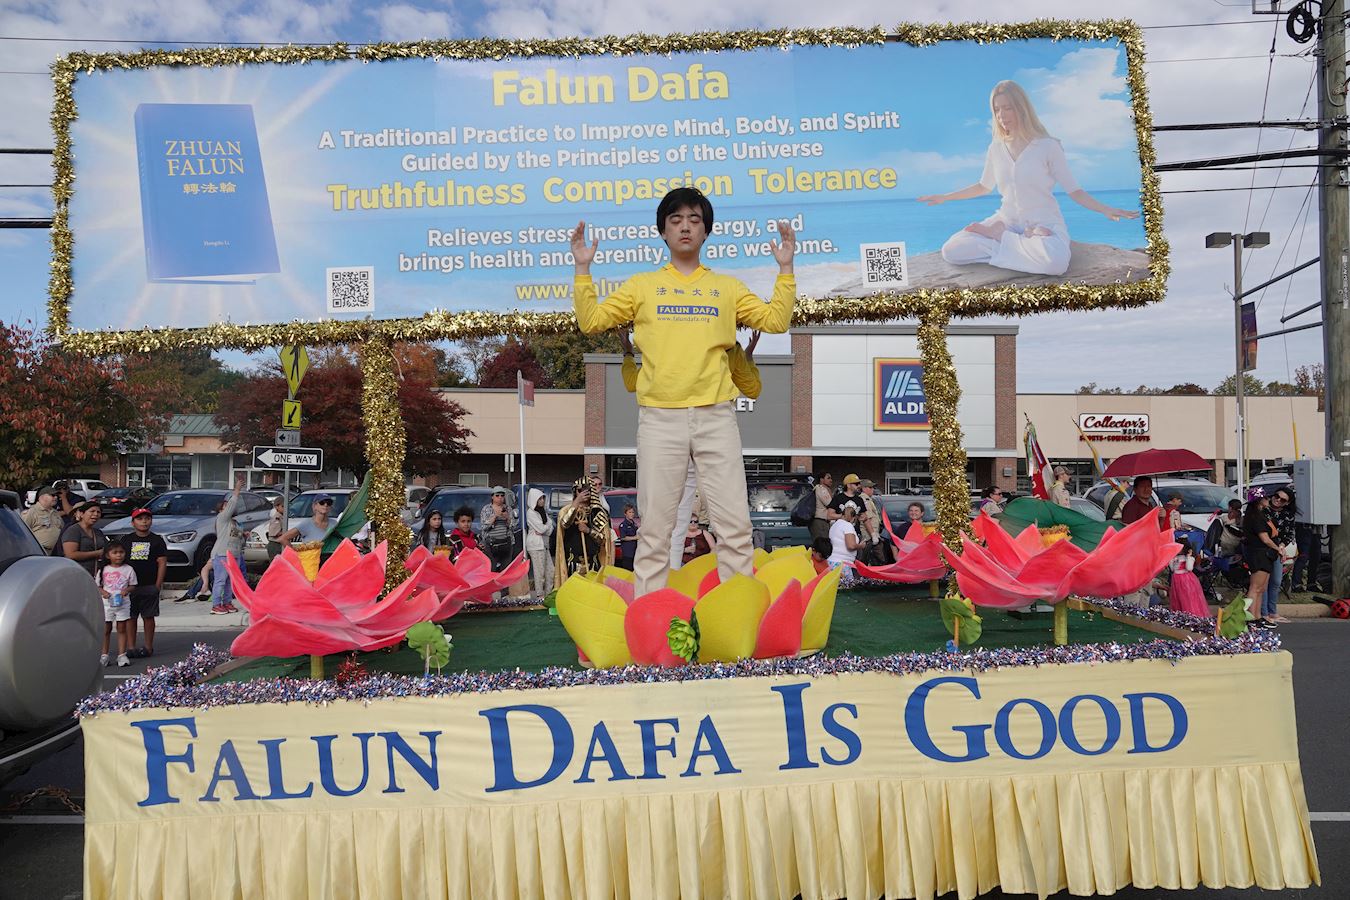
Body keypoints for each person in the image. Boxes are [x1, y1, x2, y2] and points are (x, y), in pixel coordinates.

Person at [572, 187, 795, 596]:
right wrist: (583, 269)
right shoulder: (643, 286)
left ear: (706, 230)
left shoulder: (726, 288)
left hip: (716, 416)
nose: (685, 227)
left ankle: (737, 615)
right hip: (660, 418)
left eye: (694, 219)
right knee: (656, 528)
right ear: (663, 231)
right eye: (675, 220)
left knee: (734, 526)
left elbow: (776, 320)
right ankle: (650, 615)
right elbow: (591, 321)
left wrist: (785, 268)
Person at [917, 80, 1138, 277]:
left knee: (1055, 264)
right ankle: (1014, 240)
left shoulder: (1048, 146)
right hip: (1007, 221)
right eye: (997, 110)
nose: (1002, 115)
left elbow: (1074, 190)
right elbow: (983, 186)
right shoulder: (996, 148)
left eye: (1008, 108)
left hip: (1044, 223)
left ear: (1021, 109)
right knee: (952, 250)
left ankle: (1005, 239)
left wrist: (1106, 209)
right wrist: (945, 197)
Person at [619, 325, 764, 572]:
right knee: (728, 521)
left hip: (670, 436)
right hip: (712, 437)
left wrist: (628, 354)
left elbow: (632, 383)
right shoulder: (729, 349)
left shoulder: (667, 347)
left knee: (669, 523)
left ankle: (668, 581)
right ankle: (735, 585)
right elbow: (753, 389)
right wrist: (747, 357)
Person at [120, 508, 166, 659]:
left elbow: (162, 562)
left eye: (147, 518)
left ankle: (148, 646)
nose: (144, 522)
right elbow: (120, 561)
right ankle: (130, 647)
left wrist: (158, 584)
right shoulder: (126, 540)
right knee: (130, 617)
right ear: (133, 522)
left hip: (149, 584)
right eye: (140, 519)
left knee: (148, 616)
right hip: (130, 586)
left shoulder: (157, 540)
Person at [555, 478, 613, 584]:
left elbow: (603, 540)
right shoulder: (566, 511)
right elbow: (564, 524)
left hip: (593, 562)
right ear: (575, 492)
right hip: (574, 562)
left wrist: (588, 531)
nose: (584, 493)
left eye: (587, 490)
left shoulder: (598, 512)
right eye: (580, 490)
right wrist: (577, 502)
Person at [1242, 488, 1281, 630]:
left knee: (1261, 588)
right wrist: (1278, 549)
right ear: (1258, 501)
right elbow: (1264, 538)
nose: (1268, 500)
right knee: (1255, 587)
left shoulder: (1261, 515)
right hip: (1258, 554)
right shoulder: (1255, 517)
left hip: (1265, 554)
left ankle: (1258, 616)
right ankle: (1250, 617)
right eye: (1265, 498)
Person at [209, 477, 245, 615]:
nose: (229, 507)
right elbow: (232, 505)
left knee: (230, 581)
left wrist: (244, 536)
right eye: (226, 506)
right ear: (221, 510)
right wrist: (237, 490)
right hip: (222, 553)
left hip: (234, 554)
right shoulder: (222, 518)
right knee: (221, 580)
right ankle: (216, 604)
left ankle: (227, 602)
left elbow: (238, 539)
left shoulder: (235, 523)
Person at [96, 542, 136, 668]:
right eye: (115, 553)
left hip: (123, 604)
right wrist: (104, 593)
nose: (119, 555)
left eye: (121, 552)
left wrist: (126, 590)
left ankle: (122, 655)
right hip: (107, 604)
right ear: (108, 555)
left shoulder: (128, 569)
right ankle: (104, 655)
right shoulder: (103, 570)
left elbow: (133, 585)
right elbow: (98, 586)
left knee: (122, 628)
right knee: (106, 629)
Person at [1265, 486, 1297, 624]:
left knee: (1276, 581)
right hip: (1262, 549)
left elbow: (1289, 534)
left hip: (1278, 550)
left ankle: (1272, 611)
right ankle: (1264, 613)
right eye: (1276, 496)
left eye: (1282, 500)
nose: (1278, 500)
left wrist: (1282, 546)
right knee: (1263, 581)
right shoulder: (1264, 510)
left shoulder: (1288, 515)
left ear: (1287, 503)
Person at [60, 502, 107, 577]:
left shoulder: (98, 532)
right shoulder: (73, 531)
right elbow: (70, 554)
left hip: (96, 575)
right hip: (78, 574)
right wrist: (97, 553)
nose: (95, 514)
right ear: (82, 514)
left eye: (98, 512)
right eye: (92, 511)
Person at [524, 489, 555, 599]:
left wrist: (545, 527)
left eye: (543, 498)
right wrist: (546, 526)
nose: (542, 501)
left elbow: (550, 529)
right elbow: (542, 528)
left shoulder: (543, 512)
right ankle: (539, 596)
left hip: (544, 545)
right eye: (540, 499)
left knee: (551, 571)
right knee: (539, 572)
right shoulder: (531, 513)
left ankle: (548, 595)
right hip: (536, 545)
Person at [479, 487, 517, 576]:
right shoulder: (486, 509)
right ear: (492, 497)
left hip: (506, 542)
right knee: (491, 568)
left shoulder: (508, 509)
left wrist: (507, 518)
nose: (500, 498)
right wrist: (494, 517)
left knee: (506, 569)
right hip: (491, 543)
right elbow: (483, 527)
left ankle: (504, 585)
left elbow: (513, 526)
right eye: (497, 495)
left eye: (502, 496)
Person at [22, 486, 70, 554]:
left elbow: (62, 529)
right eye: (52, 495)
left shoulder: (55, 512)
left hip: (55, 552)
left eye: (56, 495)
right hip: (38, 552)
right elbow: (21, 533)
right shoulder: (31, 512)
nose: (56, 497)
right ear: (41, 497)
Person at [1168, 543, 1209, 618]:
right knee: (1178, 597)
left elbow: (1189, 568)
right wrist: (1171, 558)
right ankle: (1179, 614)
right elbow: (1172, 569)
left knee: (1187, 598)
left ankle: (1190, 615)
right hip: (1176, 579)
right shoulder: (1175, 557)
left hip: (1185, 579)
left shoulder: (1188, 558)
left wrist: (1188, 557)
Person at [827, 503, 860, 587]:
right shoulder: (847, 526)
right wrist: (861, 546)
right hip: (843, 564)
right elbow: (851, 546)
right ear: (853, 517)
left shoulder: (834, 525)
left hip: (832, 562)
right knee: (847, 590)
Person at [810, 473, 835, 543]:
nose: (831, 480)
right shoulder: (821, 489)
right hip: (820, 521)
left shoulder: (819, 488)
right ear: (821, 479)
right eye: (828, 478)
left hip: (821, 521)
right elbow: (830, 504)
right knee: (822, 544)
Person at [616, 504, 640, 571]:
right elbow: (623, 537)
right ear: (625, 513)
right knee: (627, 570)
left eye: (633, 512)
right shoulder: (623, 525)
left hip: (635, 552)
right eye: (629, 512)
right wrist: (635, 538)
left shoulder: (634, 524)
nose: (632, 514)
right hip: (628, 553)